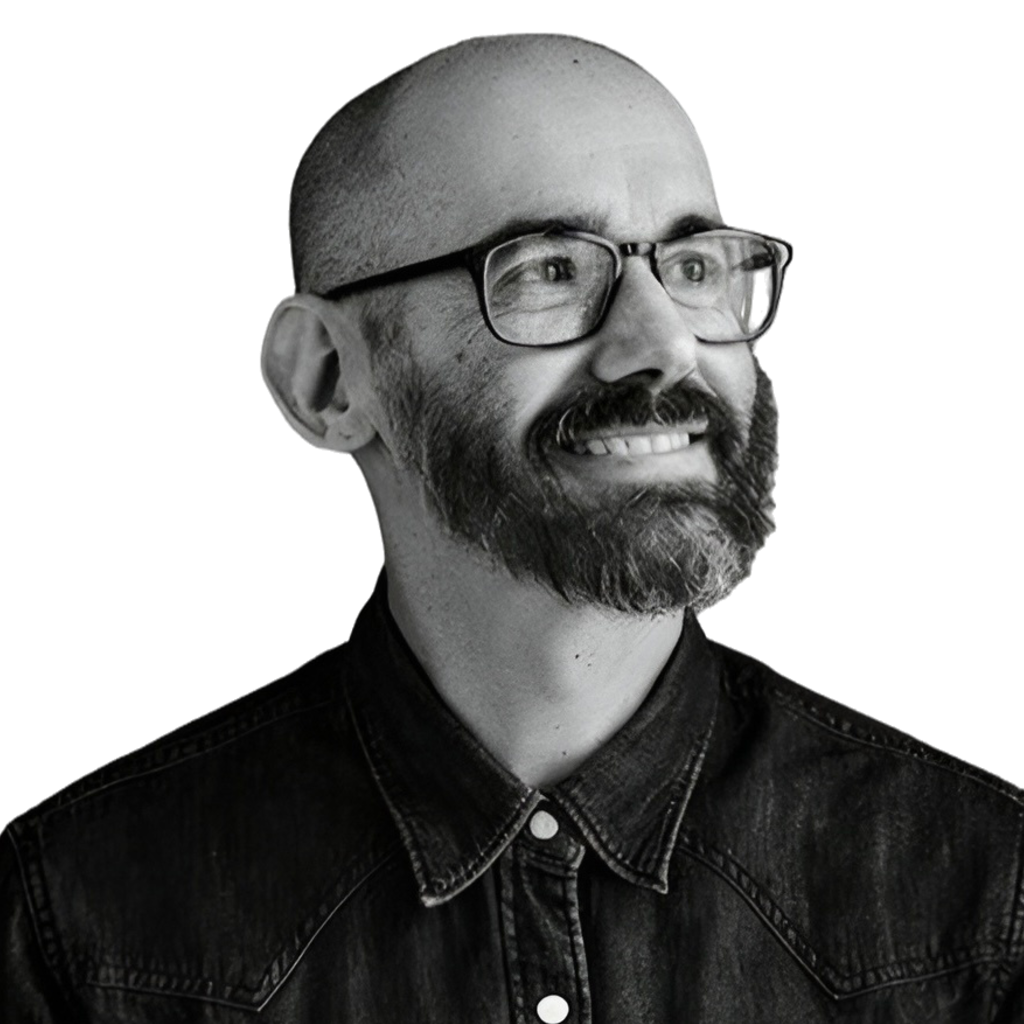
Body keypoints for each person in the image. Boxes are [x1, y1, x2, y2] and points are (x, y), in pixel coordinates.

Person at [4, 32, 1021, 1024]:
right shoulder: (83, 924)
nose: (665, 344)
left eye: (695, 268)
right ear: (327, 379)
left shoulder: (986, 892)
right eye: (549, 270)